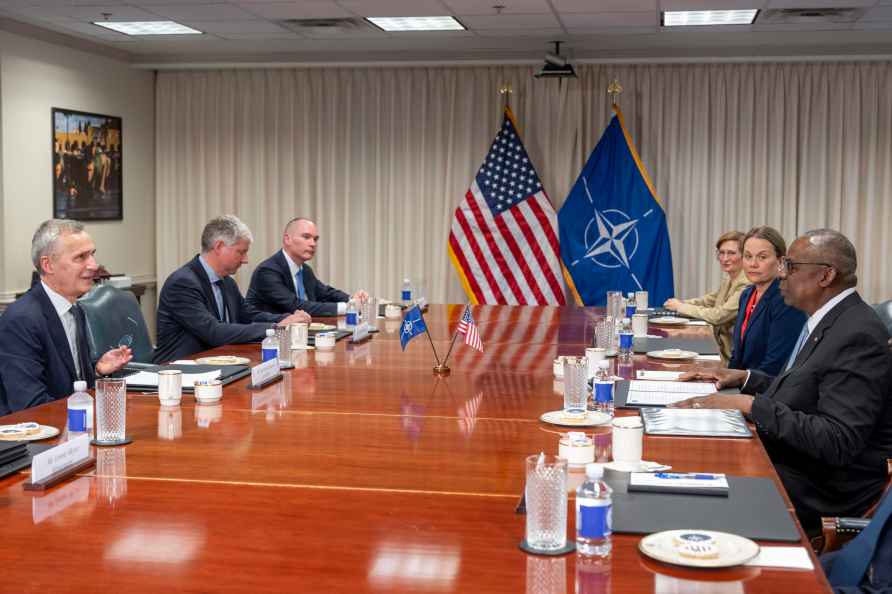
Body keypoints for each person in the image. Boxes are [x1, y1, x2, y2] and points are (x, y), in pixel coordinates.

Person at [672, 229, 892, 534]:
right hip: (798, 462)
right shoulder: (830, 320)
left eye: (789, 266)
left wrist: (750, 404)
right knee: (694, 453)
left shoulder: (857, 334)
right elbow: (804, 390)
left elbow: (837, 440)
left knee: (702, 471)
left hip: (824, 487)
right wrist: (745, 378)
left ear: (825, 276)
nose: (781, 275)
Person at [0, 219, 132, 415]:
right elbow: (30, 405)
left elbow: (72, 387)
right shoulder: (21, 320)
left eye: (92, 255)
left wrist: (96, 371)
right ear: (48, 264)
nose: (94, 265)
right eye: (80, 257)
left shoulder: (75, 309)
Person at [154, 215, 310, 363]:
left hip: (218, 362)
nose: (246, 260)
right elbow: (213, 332)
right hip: (180, 370)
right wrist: (276, 328)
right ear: (219, 247)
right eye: (241, 252)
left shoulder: (227, 282)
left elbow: (248, 315)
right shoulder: (183, 283)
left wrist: (286, 319)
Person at [246, 217, 368, 317]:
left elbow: (325, 293)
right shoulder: (268, 271)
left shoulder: (304, 270)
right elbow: (295, 306)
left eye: (315, 239)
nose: (313, 244)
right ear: (287, 239)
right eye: (306, 237)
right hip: (268, 339)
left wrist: (352, 299)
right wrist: (348, 307)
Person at [727, 226, 806, 376]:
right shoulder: (747, 294)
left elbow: (774, 366)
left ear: (780, 261)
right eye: (748, 256)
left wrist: (736, 385)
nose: (753, 264)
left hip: (765, 392)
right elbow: (737, 355)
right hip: (740, 384)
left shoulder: (786, 300)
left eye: (762, 257)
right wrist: (722, 379)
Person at [664, 230, 749, 361]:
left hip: (728, 357)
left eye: (731, 253)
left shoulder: (745, 283)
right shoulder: (730, 278)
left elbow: (719, 316)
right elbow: (708, 300)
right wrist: (681, 303)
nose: (725, 258)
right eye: (721, 253)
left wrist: (681, 307)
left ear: (744, 256)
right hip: (716, 346)